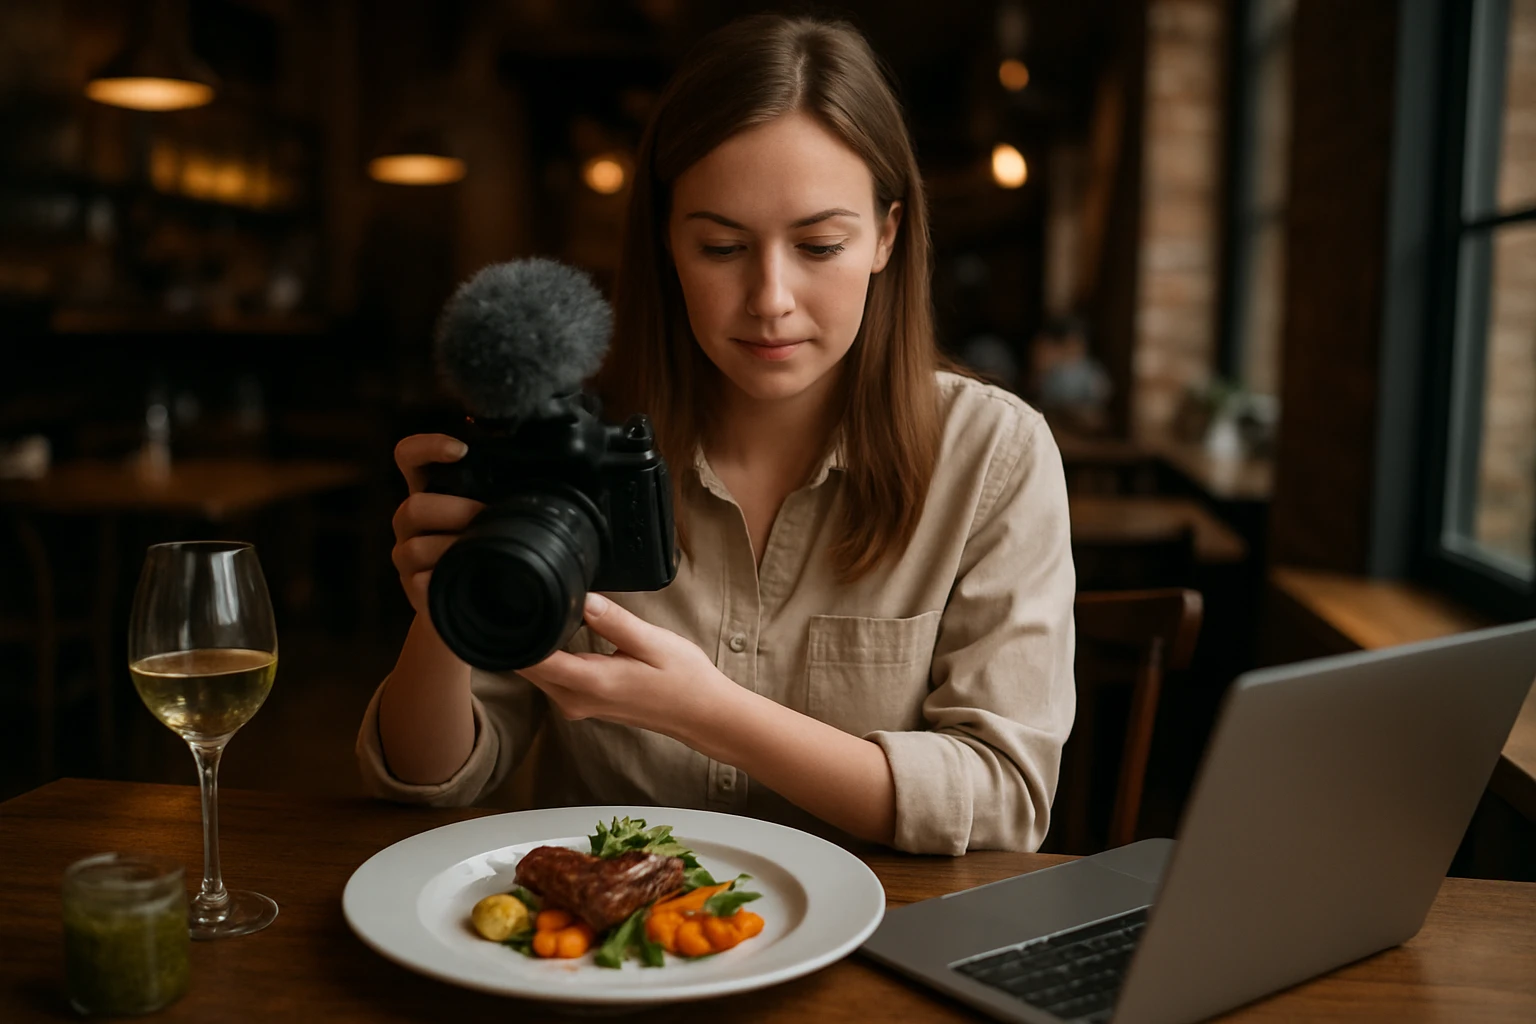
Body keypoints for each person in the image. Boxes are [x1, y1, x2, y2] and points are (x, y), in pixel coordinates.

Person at [357, 14, 1076, 856]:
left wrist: (710, 715)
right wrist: (446, 605)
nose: (770, 298)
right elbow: (431, 779)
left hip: (887, 930)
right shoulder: (573, 440)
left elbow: (1004, 801)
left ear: (885, 236)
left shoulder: (991, 456)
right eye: (722, 247)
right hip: (606, 930)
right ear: (668, 240)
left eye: (819, 245)